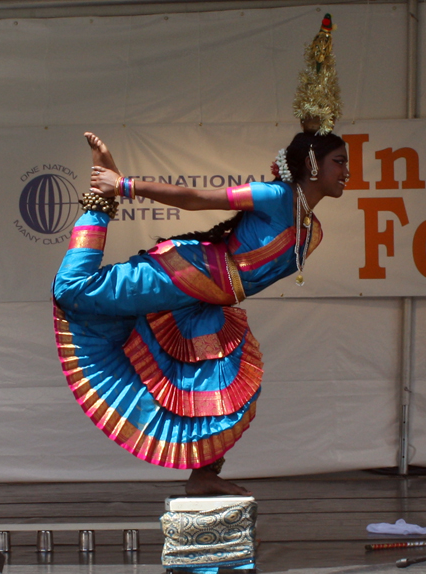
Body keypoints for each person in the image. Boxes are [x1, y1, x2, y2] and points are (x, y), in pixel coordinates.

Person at [53, 131, 349, 496]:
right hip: (186, 272)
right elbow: (197, 199)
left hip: (207, 302)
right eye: (340, 161)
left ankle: (204, 473)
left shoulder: (312, 233)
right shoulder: (275, 197)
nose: (347, 170)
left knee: (230, 386)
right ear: (313, 164)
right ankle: (98, 202)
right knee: (71, 291)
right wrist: (122, 186)